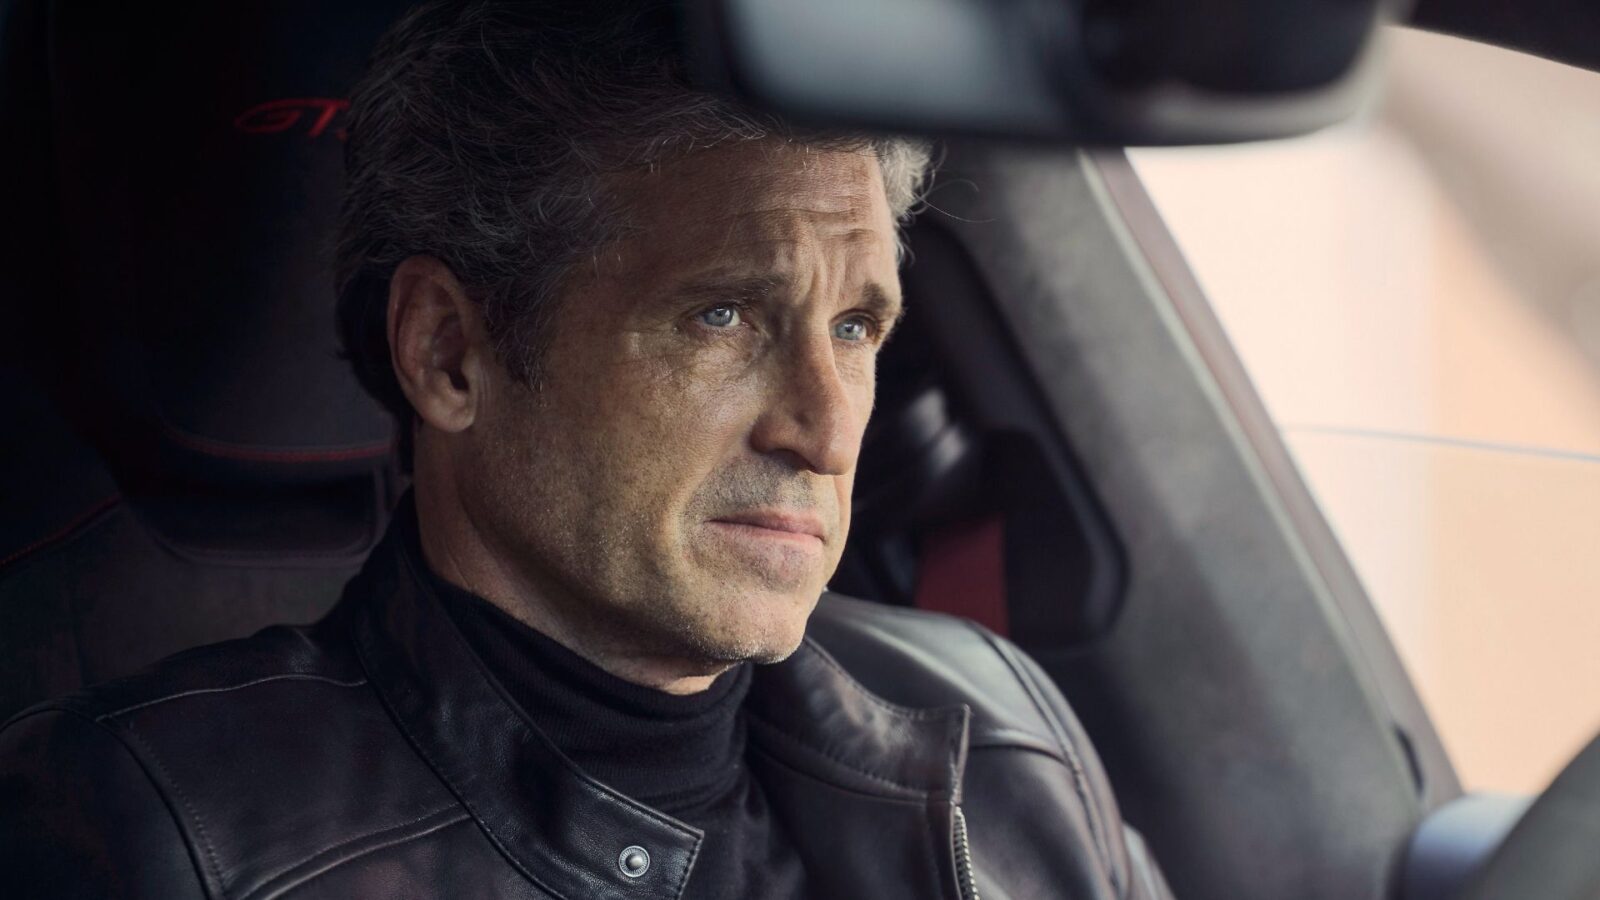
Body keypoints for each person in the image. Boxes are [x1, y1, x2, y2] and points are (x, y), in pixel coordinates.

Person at [0, 2, 1173, 897]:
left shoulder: (1004, 732)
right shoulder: (144, 835)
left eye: (856, 328)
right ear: (448, 354)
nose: (824, 431)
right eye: (722, 315)